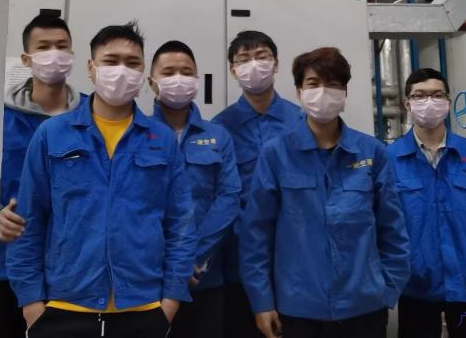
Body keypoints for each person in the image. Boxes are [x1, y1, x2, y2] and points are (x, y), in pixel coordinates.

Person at [7, 22, 197, 338]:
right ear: (91, 68)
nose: (122, 71)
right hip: (63, 309)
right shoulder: (52, 134)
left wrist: (170, 301)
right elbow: (28, 221)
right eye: (111, 61)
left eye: (132, 63)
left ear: (143, 72)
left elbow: (180, 224)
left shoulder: (162, 140)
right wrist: (31, 304)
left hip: (144, 310)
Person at [240, 47, 410, 338]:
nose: (323, 92)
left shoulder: (372, 152)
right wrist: (262, 301)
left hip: (364, 307)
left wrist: (387, 290)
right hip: (298, 309)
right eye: (313, 83)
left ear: (344, 92)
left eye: (332, 84)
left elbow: (393, 228)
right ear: (299, 92)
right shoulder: (276, 154)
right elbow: (256, 233)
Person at [388, 68, 466, 338]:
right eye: (419, 96)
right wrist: (403, 260)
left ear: (447, 101)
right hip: (416, 286)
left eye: (437, 95)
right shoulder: (390, 159)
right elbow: (382, 221)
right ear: (407, 104)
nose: (429, 102)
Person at [0, 14, 85, 338]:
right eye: (44, 47)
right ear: (26, 59)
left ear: (72, 55)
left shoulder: (91, 116)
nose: (54, 54)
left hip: (74, 273)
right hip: (8, 270)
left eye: (62, 46)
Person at [212, 31, 303, 338]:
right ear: (232, 69)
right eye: (244, 59)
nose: (254, 65)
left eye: (262, 57)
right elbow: (220, 197)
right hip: (238, 265)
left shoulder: (302, 121)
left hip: (297, 262)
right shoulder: (220, 128)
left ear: (276, 63)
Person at [148, 40, 242, 338]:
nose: (178, 79)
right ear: (151, 82)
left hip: (204, 278)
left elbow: (228, 198)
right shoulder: (138, 133)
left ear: (197, 80)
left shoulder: (218, 136)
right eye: (168, 72)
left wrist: (192, 258)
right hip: (148, 277)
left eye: (186, 72)